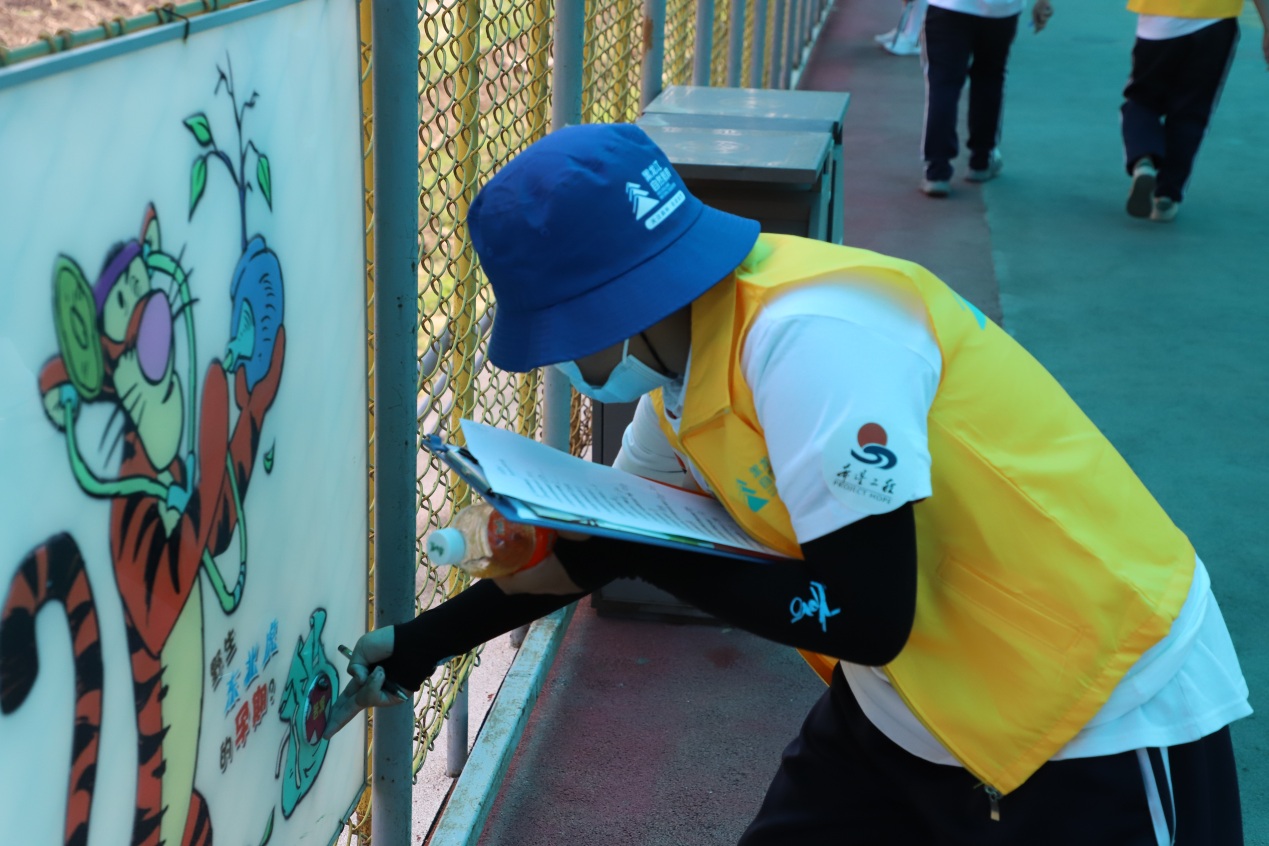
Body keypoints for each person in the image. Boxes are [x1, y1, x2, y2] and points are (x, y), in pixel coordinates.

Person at [325, 124, 1251, 844]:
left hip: (1092, 703)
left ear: (614, 308)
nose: (558, 362)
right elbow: (599, 542)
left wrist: (654, 557)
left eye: (560, 337)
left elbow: (867, 616)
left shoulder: (811, 342)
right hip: (920, 699)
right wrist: (420, 645)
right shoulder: (687, 374)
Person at [1121, 0, 1269, 222]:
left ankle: (1143, 160)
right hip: (1216, 19)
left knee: (1141, 100)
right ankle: (1167, 195)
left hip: (1159, 17)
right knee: (1192, 110)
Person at [920, 0, 1054, 197]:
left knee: (943, 83)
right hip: (1001, 10)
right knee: (990, 78)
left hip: (950, 7)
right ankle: (981, 160)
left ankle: (937, 170)